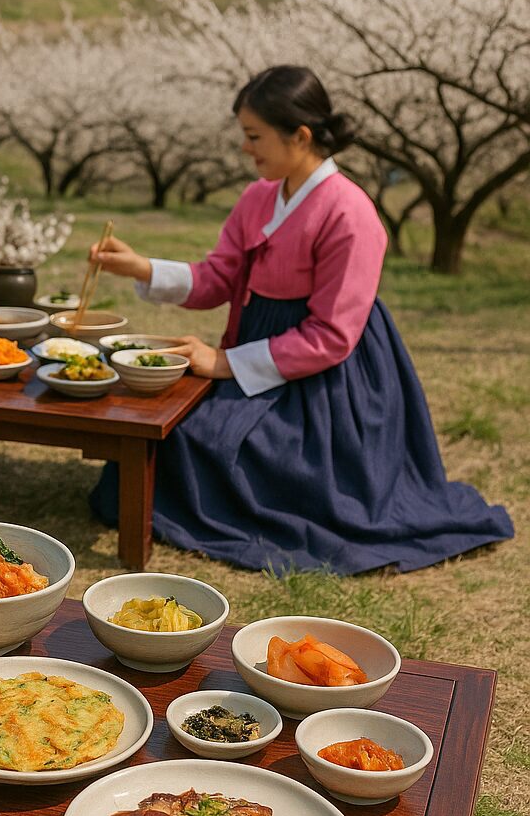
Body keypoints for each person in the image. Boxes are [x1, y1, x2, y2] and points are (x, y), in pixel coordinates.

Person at [89, 65, 513, 574]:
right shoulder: (258, 197)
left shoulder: (350, 214)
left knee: (218, 444)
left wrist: (224, 363)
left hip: (328, 383)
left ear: (301, 135)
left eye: (254, 136)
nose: (246, 149)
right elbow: (219, 276)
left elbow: (332, 336)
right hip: (260, 355)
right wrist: (143, 267)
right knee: (173, 430)